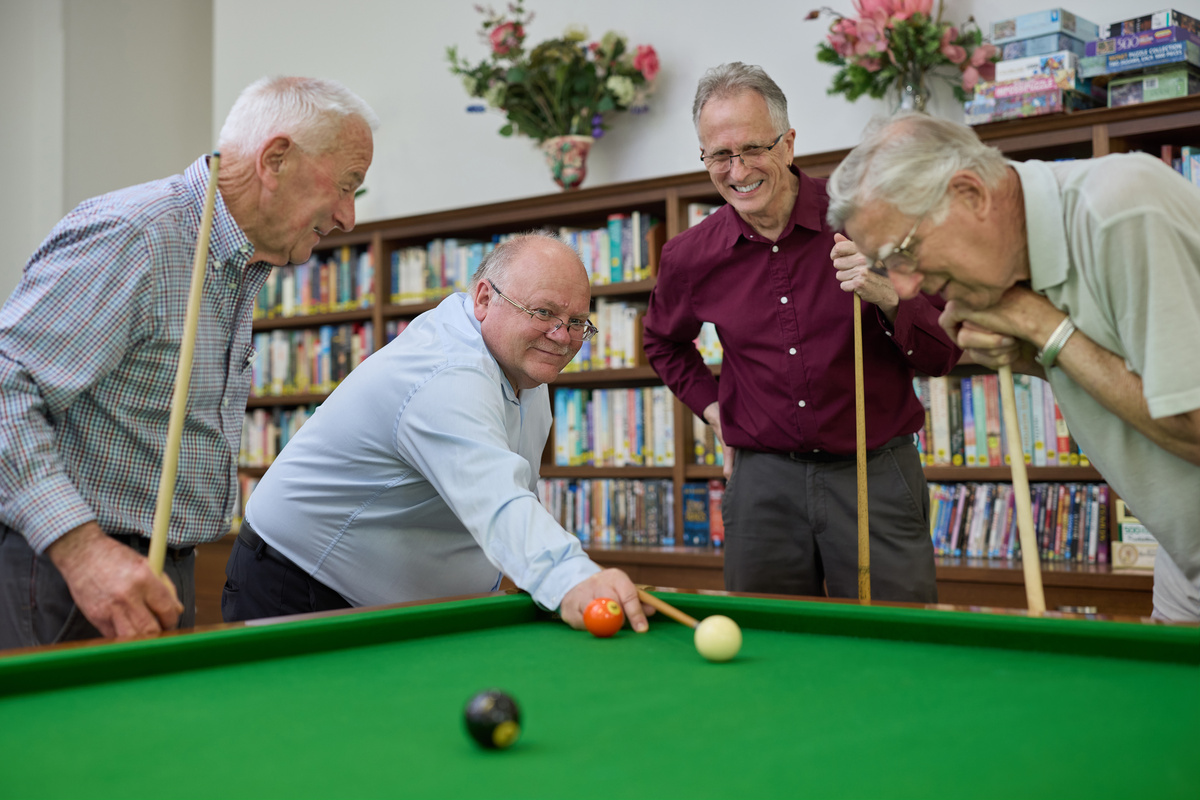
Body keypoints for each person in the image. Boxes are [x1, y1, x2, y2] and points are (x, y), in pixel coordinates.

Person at [0, 76, 379, 649]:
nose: (349, 217)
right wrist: (82, 552)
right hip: (66, 569)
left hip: (158, 568)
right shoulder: (137, 234)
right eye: (348, 185)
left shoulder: (238, 263)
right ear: (275, 159)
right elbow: (6, 391)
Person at [826, 111, 1200, 622]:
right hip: (1183, 559)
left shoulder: (1121, 210)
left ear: (970, 195)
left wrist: (1043, 326)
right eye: (886, 266)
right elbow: (1124, 377)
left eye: (904, 253)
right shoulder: (1012, 262)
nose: (906, 286)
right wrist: (1034, 356)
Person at [221, 232, 652, 632]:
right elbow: (495, 498)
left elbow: (512, 493)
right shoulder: (446, 373)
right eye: (543, 313)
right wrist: (573, 578)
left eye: (577, 321)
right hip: (297, 584)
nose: (563, 337)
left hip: (399, 603)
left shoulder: (524, 370)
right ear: (484, 297)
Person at [641, 63, 961, 602]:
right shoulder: (689, 256)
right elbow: (662, 342)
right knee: (767, 655)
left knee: (896, 651)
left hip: (874, 473)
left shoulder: (869, 219)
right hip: (762, 485)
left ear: (788, 144)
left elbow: (944, 353)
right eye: (719, 154)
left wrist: (887, 294)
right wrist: (715, 412)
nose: (737, 169)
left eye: (752, 148)